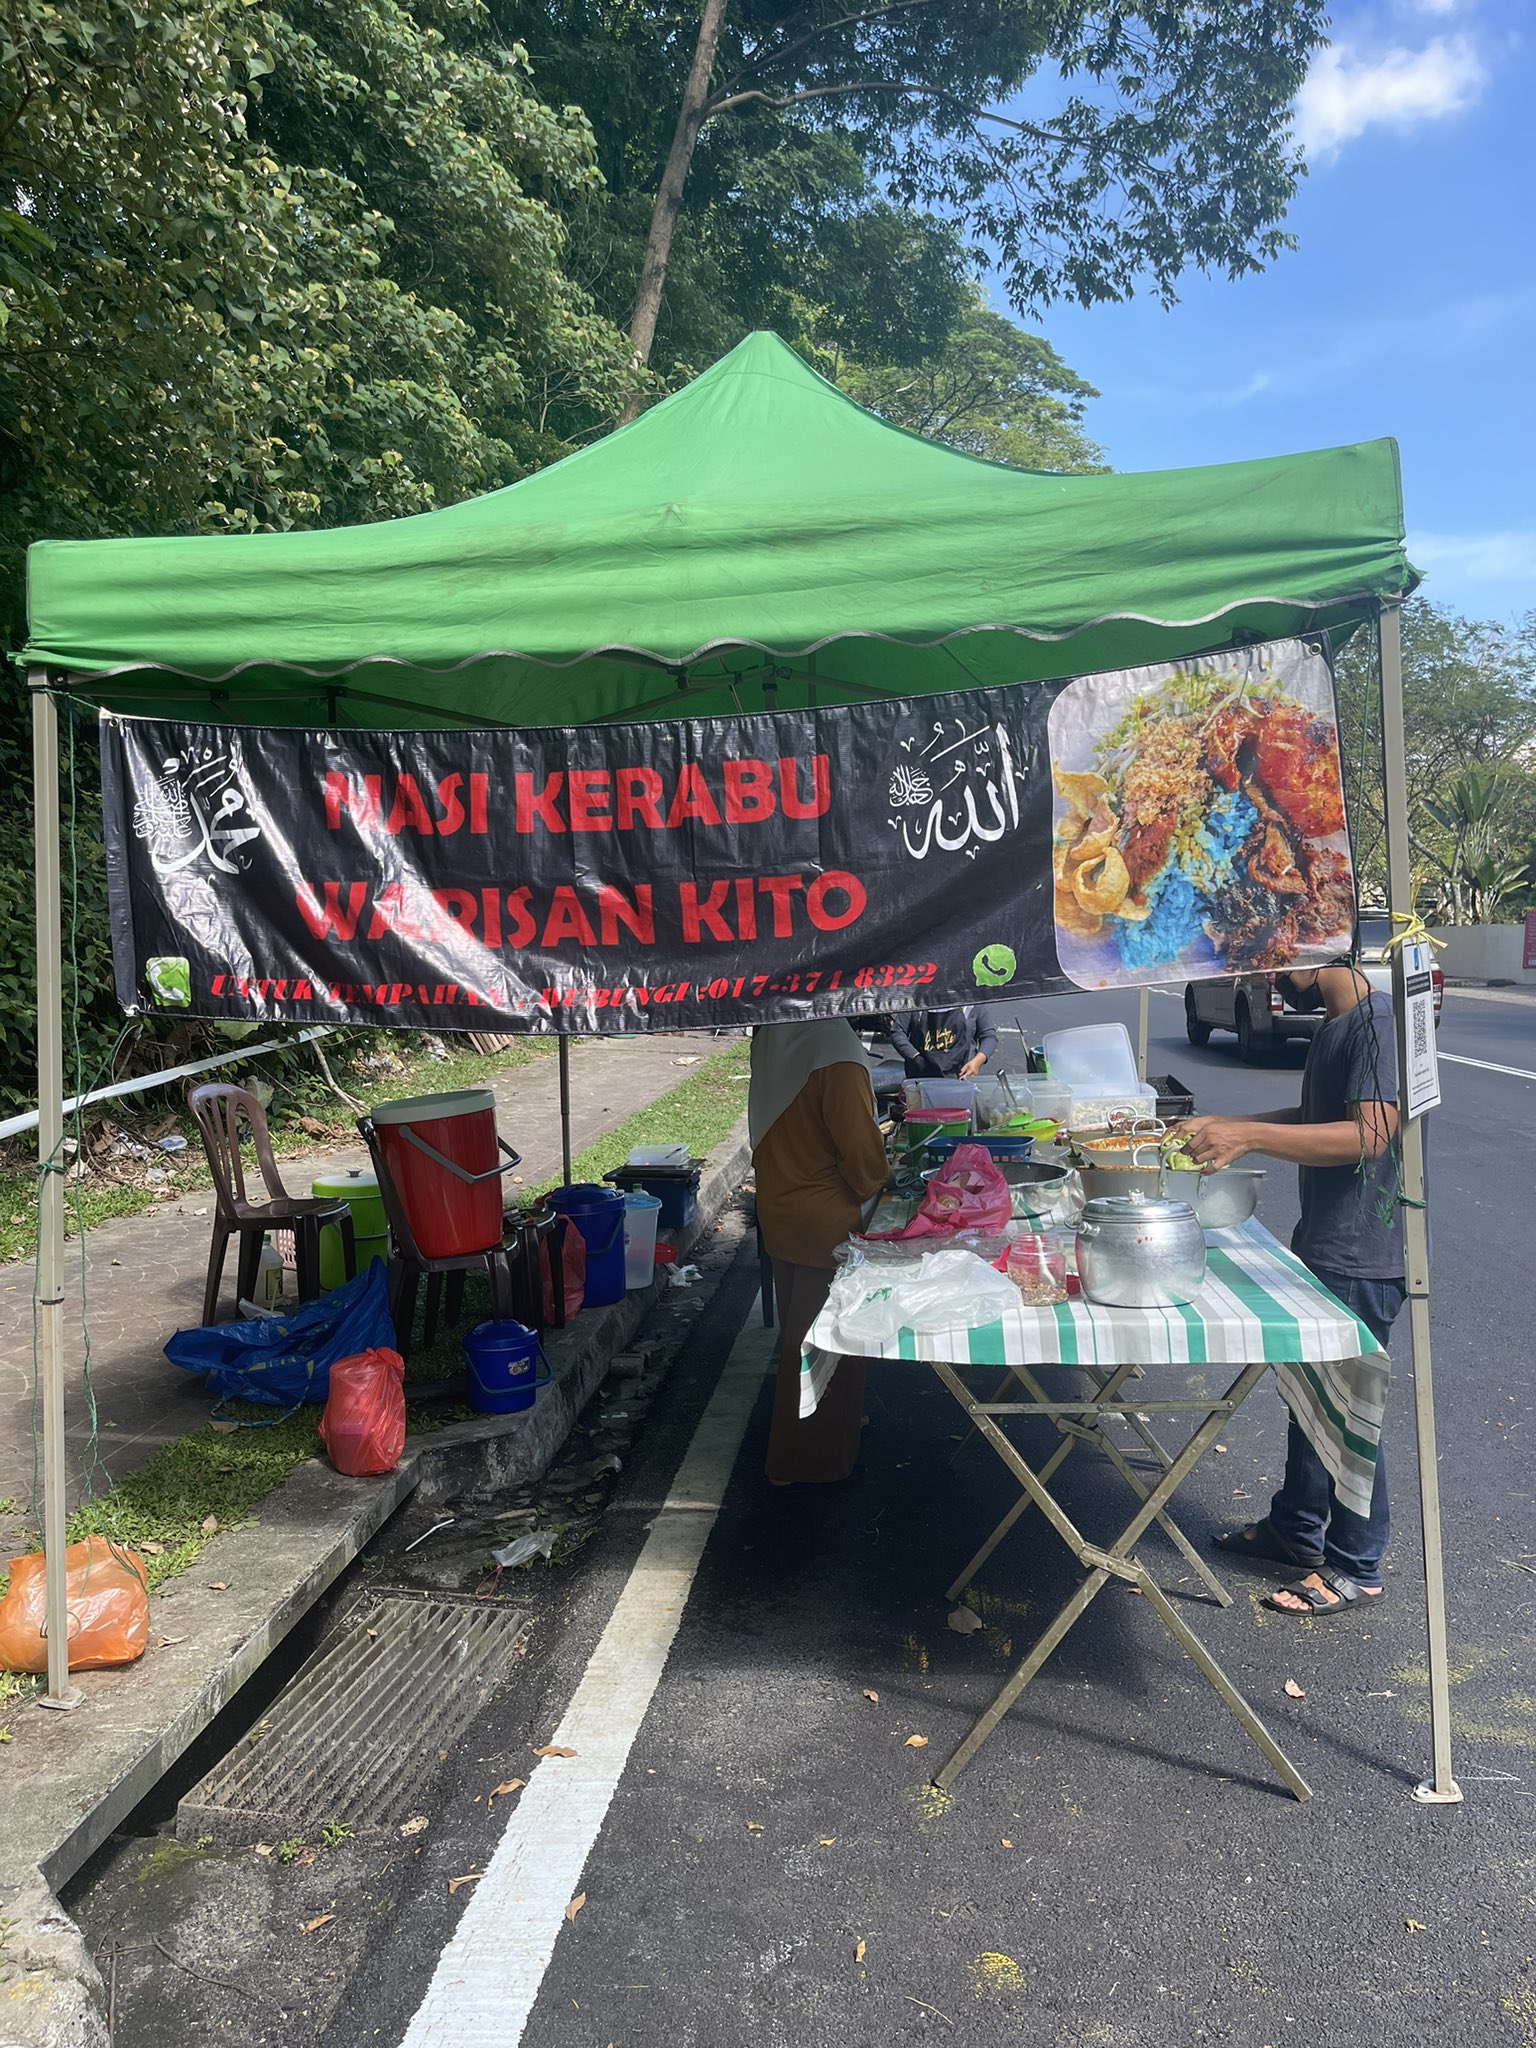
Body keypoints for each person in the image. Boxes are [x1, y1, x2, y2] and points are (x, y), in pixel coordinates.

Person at [1177, 958, 1407, 1619]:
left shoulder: (1375, 1021)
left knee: (1346, 1408)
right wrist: (1232, 1125)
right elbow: (1315, 1114)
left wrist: (1247, 1135)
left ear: (1319, 951)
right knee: (1310, 1394)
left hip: (1362, 1250)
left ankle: (1357, 1566)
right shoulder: (1339, 1022)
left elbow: (1370, 1133)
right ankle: (1297, 1526)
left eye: (1276, 960)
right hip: (1327, 1240)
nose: (1267, 975)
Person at [750, 1020, 889, 1485]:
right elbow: (859, 1149)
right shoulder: (837, 1051)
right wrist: (885, 1180)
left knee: (800, 1333)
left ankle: (827, 1434)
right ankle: (802, 1459)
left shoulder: (778, 1030)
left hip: (782, 1205)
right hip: (826, 1219)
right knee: (825, 1344)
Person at [888, 1004, 999, 1080]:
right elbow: (897, 1032)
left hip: (961, 1080)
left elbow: (988, 1036)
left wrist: (977, 1061)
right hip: (921, 1080)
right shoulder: (915, 1000)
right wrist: (914, 1056)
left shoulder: (973, 1003)